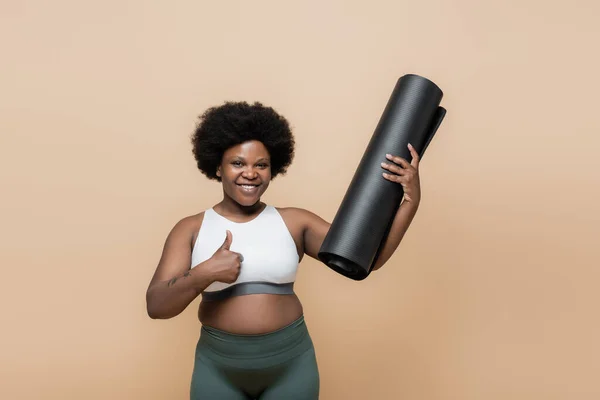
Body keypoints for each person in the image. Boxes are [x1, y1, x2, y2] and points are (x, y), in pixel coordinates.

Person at [145, 101, 422, 399]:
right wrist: (204, 273)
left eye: (260, 165)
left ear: (272, 168)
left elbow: (369, 259)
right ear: (217, 166)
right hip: (218, 366)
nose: (250, 173)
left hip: (290, 363)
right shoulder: (191, 229)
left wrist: (410, 202)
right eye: (238, 163)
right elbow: (157, 306)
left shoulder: (294, 221)